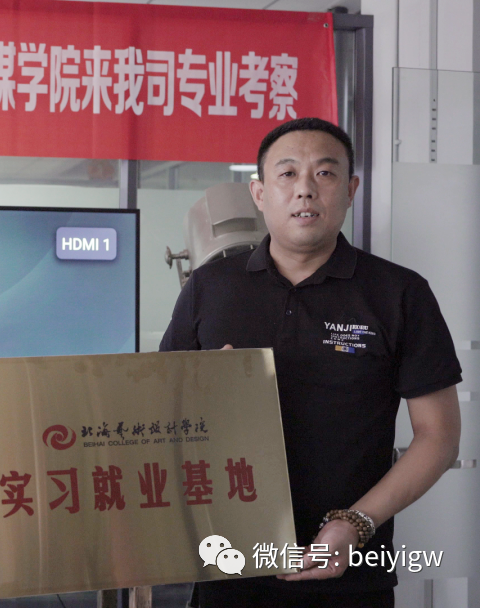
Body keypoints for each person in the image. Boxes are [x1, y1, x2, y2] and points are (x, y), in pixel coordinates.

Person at [160, 117, 461, 607]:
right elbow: (161, 413)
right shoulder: (209, 287)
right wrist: (201, 390)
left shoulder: (399, 293)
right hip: (226, 569)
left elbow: (439, 436)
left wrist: (354, 524)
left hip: (351, 576)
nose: (305, 189)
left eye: (324, 173)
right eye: (287, 174)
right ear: (259, 193)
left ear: (351, 190)